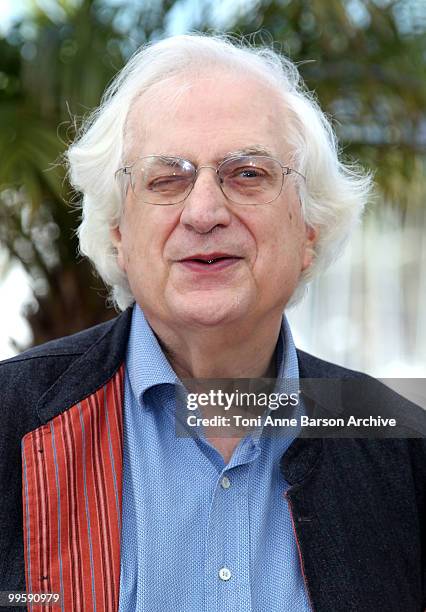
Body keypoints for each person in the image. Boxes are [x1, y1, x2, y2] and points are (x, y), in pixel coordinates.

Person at [0, 33, 425, 612]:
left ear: (310, 229)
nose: (203, 212)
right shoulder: (11, 420)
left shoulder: (403, 444)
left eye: (248, 173)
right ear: (118, 233)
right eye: (166, 179)